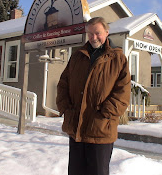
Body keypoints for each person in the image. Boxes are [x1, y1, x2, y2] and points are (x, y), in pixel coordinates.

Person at [56, 17, 131, 175]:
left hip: (100, 129)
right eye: (90, 33)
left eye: (97, 33)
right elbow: (63, 84)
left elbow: (123, 92)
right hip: (76, 127)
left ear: (106, 32)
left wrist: (105, 114)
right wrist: (66, 109)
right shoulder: (77, 56)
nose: (93, 37)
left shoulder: (118, 59)